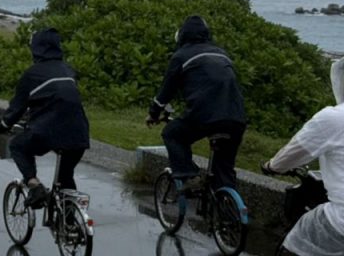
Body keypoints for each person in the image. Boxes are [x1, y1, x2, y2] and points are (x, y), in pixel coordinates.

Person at [147, 15, 247, 192]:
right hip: (236, 117)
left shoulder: (181, 56)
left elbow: (166, 91)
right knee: (223, 168)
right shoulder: (221, 53)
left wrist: (154, 113)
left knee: (172, 134)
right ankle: (229, 207)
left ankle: (189, 175)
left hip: (205, 115)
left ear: (182, 36)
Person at [0, 27, 90, 208]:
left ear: (36, 49)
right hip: (79, 132)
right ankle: (72, 226)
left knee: (17, 146)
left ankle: (34, 185)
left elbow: (16, 109)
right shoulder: (69, 71)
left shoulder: (32, 74)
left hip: (49, 130)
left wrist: (2, 125)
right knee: (65, 177)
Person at [262, 58, 344, 255]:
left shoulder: (333, 118)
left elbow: (292, 154)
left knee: (298, 241)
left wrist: (271, 166)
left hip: (340, 221)